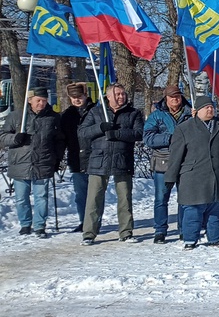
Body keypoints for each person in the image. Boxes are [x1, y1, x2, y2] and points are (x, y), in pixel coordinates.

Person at [165, 96, 219, 249]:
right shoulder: (184, 128)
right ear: (197, 110)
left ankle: (214, 238)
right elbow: (176, 155)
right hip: (193, 177)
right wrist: (170, 177)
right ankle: (190, 239)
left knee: (215, 209)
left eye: (212, 106)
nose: (210, 109)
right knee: (193, 210)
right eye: (206, 107)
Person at [78, 83, 144, 245]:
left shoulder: (133, 113)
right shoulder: (96, 112)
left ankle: (126, 232)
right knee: (94, 198)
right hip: (98, 160)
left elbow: (139, 133)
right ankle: (89, 233)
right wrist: (100, 128)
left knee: (125, 198)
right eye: (117, 94)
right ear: (108, 97)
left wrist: (117, 133)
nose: (121, 97)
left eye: (123, 94)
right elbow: (82, 132)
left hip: (123, 159)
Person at [1, 86, 64, 238]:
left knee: (41, 197)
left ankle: (40, 225)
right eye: (38, 101)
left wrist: (57, 158)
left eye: (44, 101)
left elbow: (60, 140)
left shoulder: (53, 118)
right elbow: (2, 136)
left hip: (43, 162)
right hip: (20, 163)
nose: (41, 104)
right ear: (30, 101)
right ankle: (25, 224)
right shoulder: (17, 116)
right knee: (21, 197)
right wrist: (14, 139)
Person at [142, 84, 191, 244]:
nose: (175, 99)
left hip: (186, 160)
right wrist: (170, 138)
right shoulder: (156, 115)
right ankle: (160, 230)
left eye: (177, 96)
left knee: (185, 198)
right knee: (161, 198)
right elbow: (148, 138)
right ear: (166, 98)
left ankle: (184, 229)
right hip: (163, 161)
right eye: (172, 97)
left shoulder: (191, 113)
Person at [59, 82, 95, 233]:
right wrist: (58, 157)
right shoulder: (67, 115)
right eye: (73, 98)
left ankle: (94, 222)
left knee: (94, 194)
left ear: (85, 95)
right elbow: (62, 138)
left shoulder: (96, 111)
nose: (77, 100)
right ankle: (83, 221)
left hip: (94, 158)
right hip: (76, 159)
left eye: (79, 96)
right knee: (81, 194)